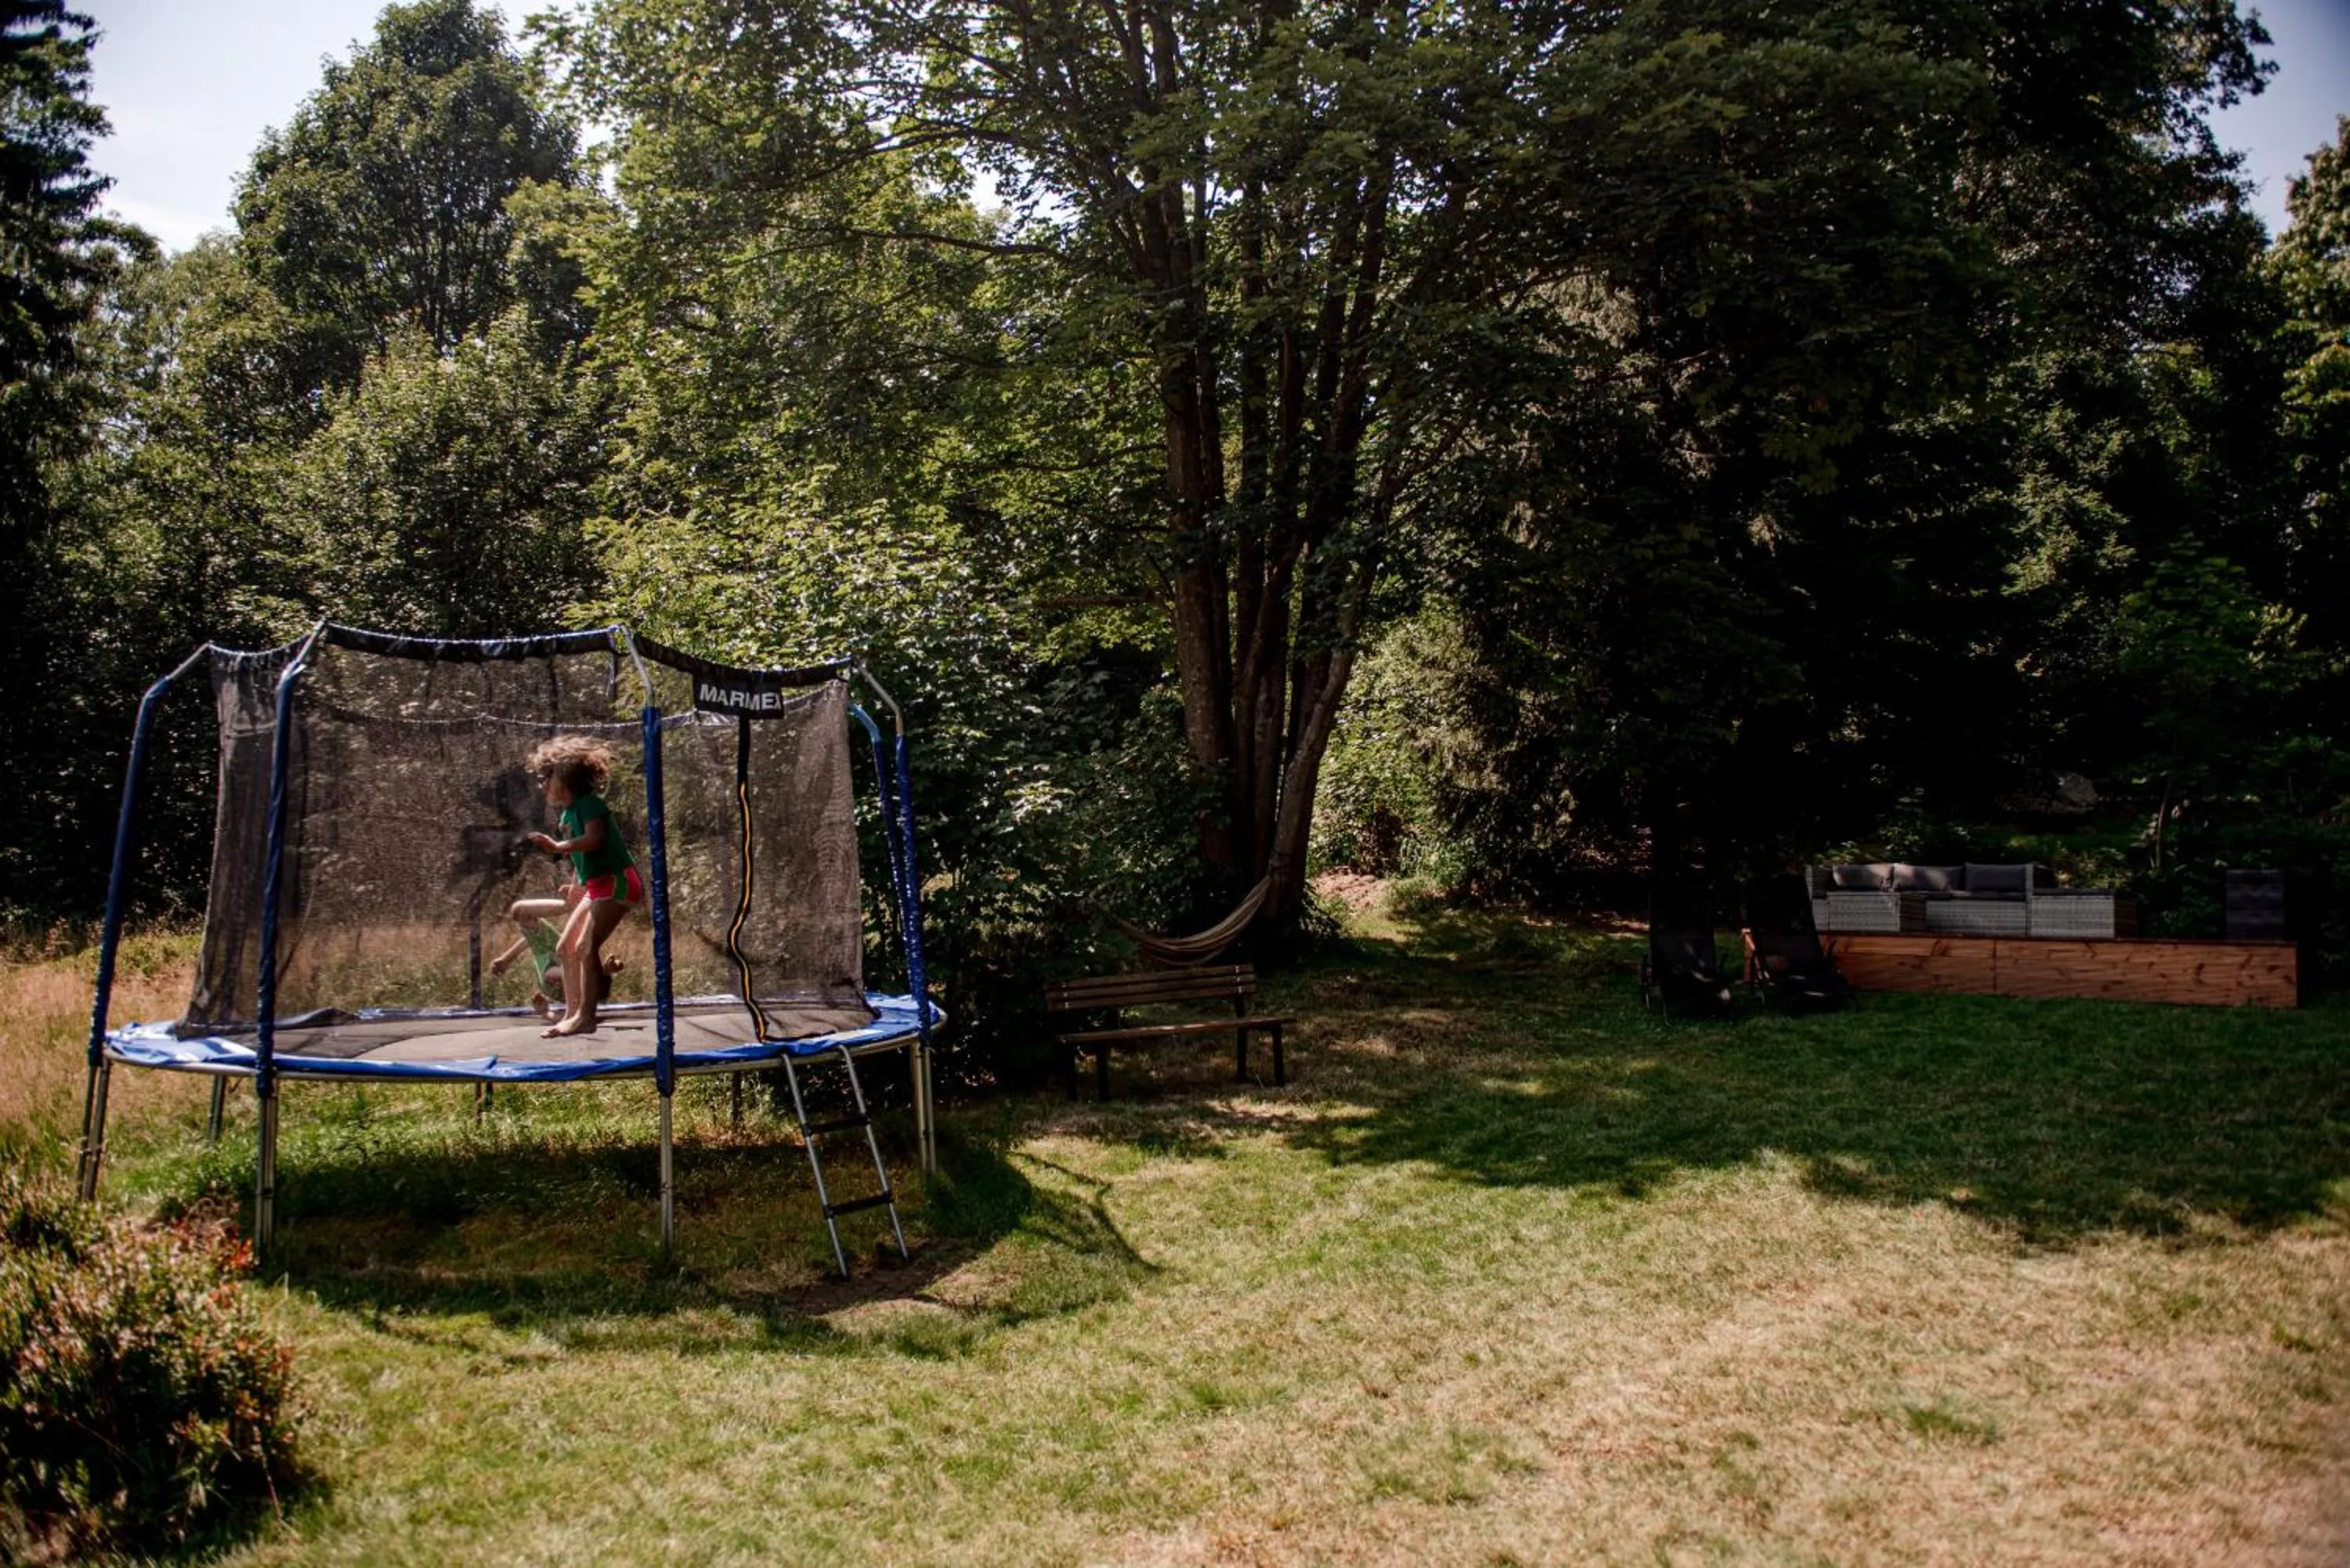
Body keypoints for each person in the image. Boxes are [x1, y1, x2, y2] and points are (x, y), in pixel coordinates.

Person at [522, 735, 642, 1037]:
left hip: (617, 883)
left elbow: (595, 839)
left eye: (546, 778)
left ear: (564, 777)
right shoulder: (568, 813)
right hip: (596, 886)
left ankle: (585, 1017)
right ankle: (571, 1013)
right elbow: (582, 854)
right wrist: (577, 883)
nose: (543, 786)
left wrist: (558, 846)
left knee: (586, 947)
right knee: (566, 948)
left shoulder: (589, 804)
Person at [487, 878, 621, 1020]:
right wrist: (506, 959)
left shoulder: (560, 987)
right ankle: (573, 904)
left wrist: (545, 1013)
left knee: (520, 911)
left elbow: (532, 942)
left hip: (552, 958)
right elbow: (530, 940)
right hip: (559, 953)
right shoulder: (576, 993)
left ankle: (572, 905)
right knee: (520, 911)